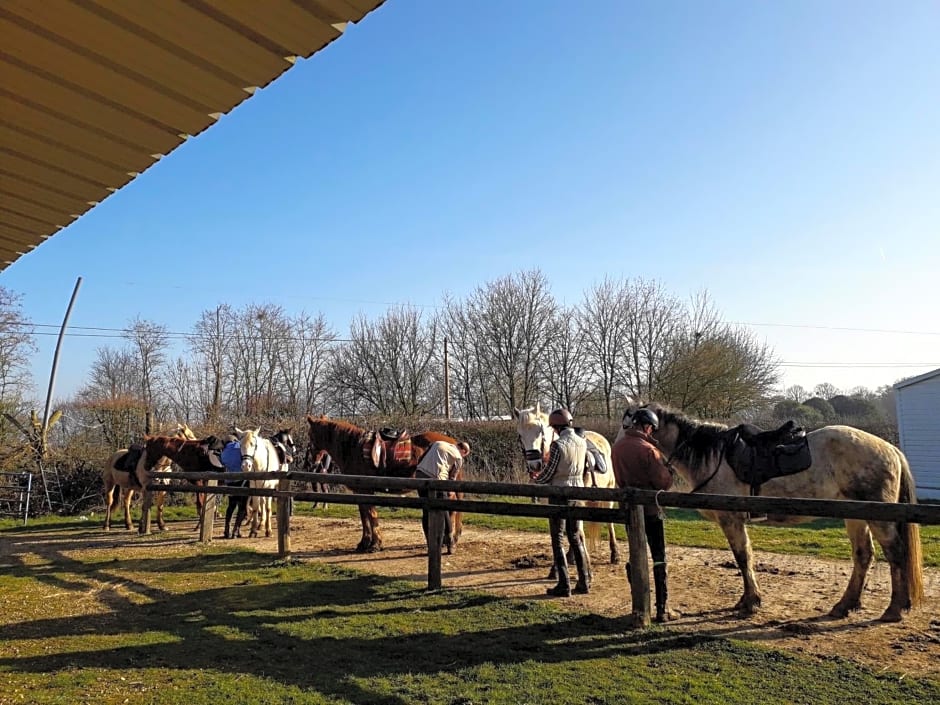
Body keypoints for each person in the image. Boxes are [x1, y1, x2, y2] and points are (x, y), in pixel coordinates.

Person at [611, 408, 679, 622]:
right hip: (650, 511)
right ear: (647, 426)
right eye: (651, 428)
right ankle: (662, 607)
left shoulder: (617, 448)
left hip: (629, 512)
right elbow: (662, 482)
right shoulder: (649, 450)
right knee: (659, 558)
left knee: (635, 556)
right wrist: (670, 472)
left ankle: (640, 604)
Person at [531, 408, 591, 597]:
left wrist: (536, 478)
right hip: (578, 492)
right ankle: (584, 581)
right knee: (575, 537)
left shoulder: (558, 445)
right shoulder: (582, 442)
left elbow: (549, 474)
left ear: (556, 427)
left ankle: (564, 584)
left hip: (559, 494)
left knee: (557, 538)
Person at [415, 440, 470, 555]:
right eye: (466, 455)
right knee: (444, 509)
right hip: (438, 479)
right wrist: (450, 491)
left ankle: (431, 545)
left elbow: (421, 458)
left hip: (420, 475)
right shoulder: (458, 458)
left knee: (426, 510)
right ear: (463, 451)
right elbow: (452, 478)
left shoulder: (437, 443)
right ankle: (450, 542)